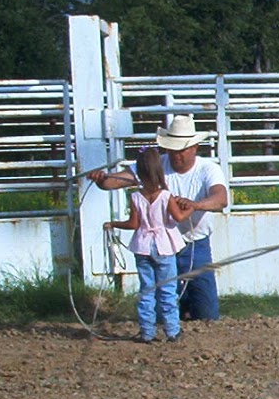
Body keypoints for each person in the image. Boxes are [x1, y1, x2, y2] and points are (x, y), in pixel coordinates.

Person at [89, 115, 230, 323]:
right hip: (162, 247)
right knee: (161, 308)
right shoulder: (156, 166)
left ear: (194, 148)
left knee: (206, 313)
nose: (175, 155)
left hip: (194, 244)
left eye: (180, 150)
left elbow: (221, 198)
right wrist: (102, 180)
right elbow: (117, 181)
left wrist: (196, 204)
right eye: (172, 149)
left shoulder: (208, 169)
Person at [104, 146, 188, 343]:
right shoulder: (166, 196)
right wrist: (190, 208)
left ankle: (147, 332)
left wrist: (113, 223)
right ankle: (172, 331)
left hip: (142, 245)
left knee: (147, 290)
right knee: (167, 289)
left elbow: (134, 224)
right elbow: (179, 217)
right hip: (164, 245)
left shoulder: (135, 197)